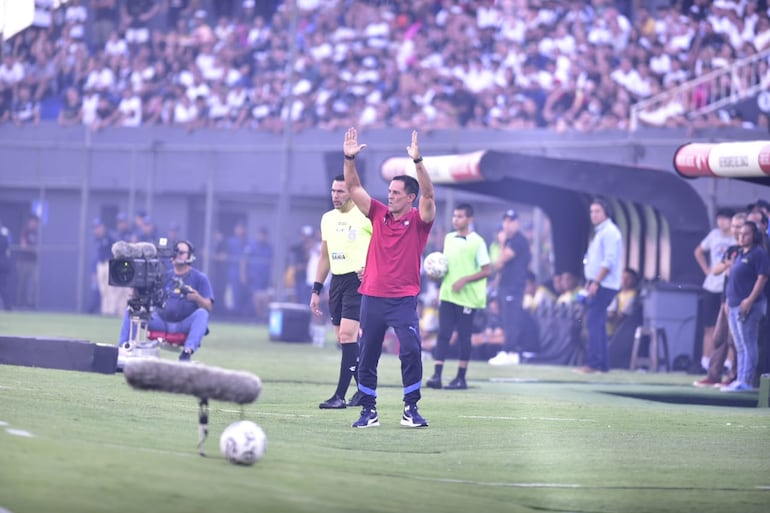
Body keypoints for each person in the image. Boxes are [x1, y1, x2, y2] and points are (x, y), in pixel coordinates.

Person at [343, 127, 435, 429]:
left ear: (411, 197)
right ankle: (368, 410)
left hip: (403, 300)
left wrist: (418, 161)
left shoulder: (419, 221)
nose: (390, 196)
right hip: (372, 297)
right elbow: (354, 188)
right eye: (390, 191)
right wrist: (349, 159)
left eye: (396, 193)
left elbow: (430, 194)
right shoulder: (378, 213)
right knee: (368, 355)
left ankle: (411, 408)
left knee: (410, 350)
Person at [310, 174, 372, 409]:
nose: (335, 196)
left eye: (341, 191)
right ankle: (365, 391)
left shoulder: (367, 217)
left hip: (358, 282)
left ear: (353, 192)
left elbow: (383, 248)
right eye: (333, 191)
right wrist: (316, 289)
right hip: (337, 282)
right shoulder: (327, 219)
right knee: (343, 339)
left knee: (347, 336)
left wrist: (371, 270)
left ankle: (339, 396)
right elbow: (324, 256)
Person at [426, 203, 491, 390]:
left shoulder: (478, 242)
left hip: (467, 298)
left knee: (464, 336)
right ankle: (437, 376)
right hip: (447, 294)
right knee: (444, 334)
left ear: (470, 219)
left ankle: (461, 378)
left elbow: (487, 270)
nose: (456, 219)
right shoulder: (448, 238)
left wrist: (465, 280)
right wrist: (435, 275)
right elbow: (445, 266)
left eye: (461, 216)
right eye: (455, 216)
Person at [117, 240, 214, 361]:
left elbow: (209, 306)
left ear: (190, 256)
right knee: (132, 309)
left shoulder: (200, 278)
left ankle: (187, 352)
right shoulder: (163, 276)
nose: (178, 255)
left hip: (183, 324)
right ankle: (123, 348)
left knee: (202, 314)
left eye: (182, 253)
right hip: (160, 321)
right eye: (176, 252)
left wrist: (197, 297)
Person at [721, 221, 769, 392]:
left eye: (746, 234)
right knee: (740, 346)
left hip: (749, 305)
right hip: (734, 304)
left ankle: (747, 380)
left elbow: (762, 278)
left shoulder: (758, 254)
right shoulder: (740, 254)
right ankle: (740, 379)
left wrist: (749, 300)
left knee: (749, 344)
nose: (741, 237)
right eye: (740, 234)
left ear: (754, 236)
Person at [577, 197, 623, 374]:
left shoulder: (610, 232)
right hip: (598, 283)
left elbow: (609, 261)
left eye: (597, 211)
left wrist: (596, 281)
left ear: (606, 213)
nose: (593, 215)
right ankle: (602, 364)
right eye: (591, 211)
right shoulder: (601, 232)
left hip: (604, 284)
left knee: (594, 323)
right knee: (598, 324)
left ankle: (594, 363)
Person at [487, 209, 531, 366]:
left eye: (511, 221)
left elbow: (502, 260)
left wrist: (501, 242)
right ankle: (509, 351)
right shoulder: (509, 241)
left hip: (514, 286)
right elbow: (498, 267)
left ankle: (510, 351)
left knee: (511, 320)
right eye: (505, 221)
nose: (507, 224)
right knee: (505, 319)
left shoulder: (519, 241)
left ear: (517, 223)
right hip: (505, 285)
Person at [693, 208, 735, 371]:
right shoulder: (714, 235)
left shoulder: (736, 238)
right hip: (711, 285)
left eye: (725, 218)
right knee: (709, 326)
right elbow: (698, 251)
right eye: (719, 219)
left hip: (727, 285)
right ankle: (706, 359)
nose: (721, 222)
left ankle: (728, 362)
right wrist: (706, 269)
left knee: (729, 327)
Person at [0, 218, 13, 310]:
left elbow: (8, 245)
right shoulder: (6, 233)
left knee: (2, 285)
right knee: (3, 285)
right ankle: (8, 306)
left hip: (3, 264)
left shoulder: (5, 233)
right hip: (5, 263)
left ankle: (8, 306)